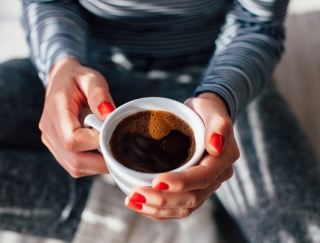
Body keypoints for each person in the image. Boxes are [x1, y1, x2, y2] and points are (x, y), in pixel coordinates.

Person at [0, 0, 319, 242]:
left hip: (217, 78)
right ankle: (125, 222)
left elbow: (257, 24)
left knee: (302, 229)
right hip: (89, 75)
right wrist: (60, 66)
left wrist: (220, 96)